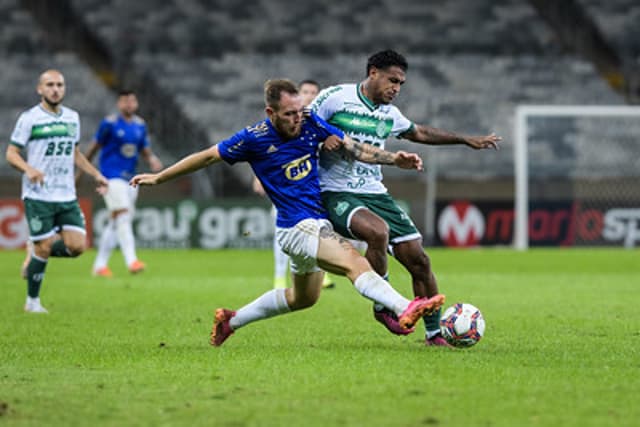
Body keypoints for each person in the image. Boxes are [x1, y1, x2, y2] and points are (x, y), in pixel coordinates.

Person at [130, 79, 445, 346]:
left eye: (299, 111)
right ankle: (405, 307)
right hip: (298, 226)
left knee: (303, 299)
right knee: (355, 261)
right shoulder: (253, 138)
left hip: (311, 225)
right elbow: (205, 157)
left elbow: (354, 147)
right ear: (271, 113)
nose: (298, 118)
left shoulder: (309, 122)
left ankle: (231, 321)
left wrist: (394, 159)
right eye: (289, 114)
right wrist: (159, 177)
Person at [310, 50, 501, 347]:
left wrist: (465, 140)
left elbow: (420, 132)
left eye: (401, 83)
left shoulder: (390, 114)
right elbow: (301, 124)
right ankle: (382, 304)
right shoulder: (335, 97)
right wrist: (322, 139)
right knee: (377, 232)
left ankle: (434, 334)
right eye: (392, 80)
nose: (396, 88)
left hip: (375, 193)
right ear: (373, 72)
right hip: (335, 191)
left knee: (419, 259)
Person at [6, 69, 108, 313]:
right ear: (40, 89)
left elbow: (75, 153)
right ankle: (32, 302)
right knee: (44, 247)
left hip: (66, 194)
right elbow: (11, 153)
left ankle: (36, 250)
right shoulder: (29, 118)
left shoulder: (72, 117)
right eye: (50, 85)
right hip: (38, 194)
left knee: (77, 247)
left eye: (60, 85)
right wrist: (28, 169)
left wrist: (96, 175)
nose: (55, 89)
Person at [252, 78, 339, 289]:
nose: (310, 96)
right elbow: (266, 153)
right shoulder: (285, 121)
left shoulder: (319, 122)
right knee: (284, 232)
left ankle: (322, 274)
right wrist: (257, 179)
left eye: (314, 92)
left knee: (324, 228)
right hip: (288, 189)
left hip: (316, 188)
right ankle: (279, 277)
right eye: (306, 92)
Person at [82, 90, 163, 277]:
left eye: (132, 100)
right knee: (124, 216)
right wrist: (84, 169)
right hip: (111, 177)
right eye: (125, 100)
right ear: (119, 103)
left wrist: (152, 160)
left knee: (116, 221)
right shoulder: (109, 124)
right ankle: (132, 260)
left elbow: (144, 148)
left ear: (136, 103)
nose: (129, 104)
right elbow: (95, 147)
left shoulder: (140, 125)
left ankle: (99, 265)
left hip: (131, 178)